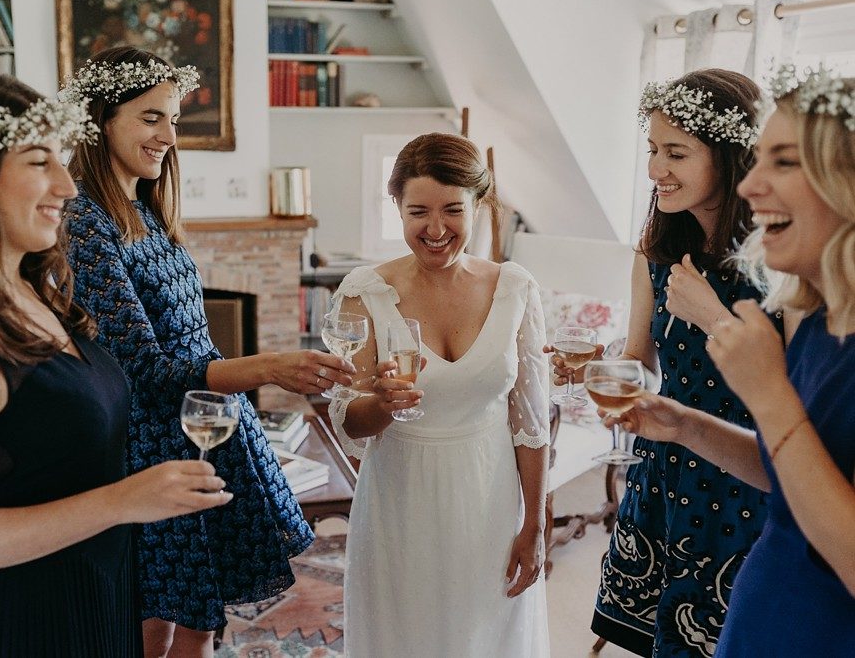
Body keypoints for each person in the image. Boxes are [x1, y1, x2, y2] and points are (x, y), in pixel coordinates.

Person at [0, 71, 232, 657]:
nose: (68, 185)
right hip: (27, 627)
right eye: (37, 161)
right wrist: (124, 500)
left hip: (96, 602)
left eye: (62, 159)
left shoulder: (35, 293)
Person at [59, 46, 354, 658]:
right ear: (100, 121)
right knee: (152, 622)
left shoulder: (146, 208)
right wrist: (267, 367)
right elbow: (142, 368)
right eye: (150, 118)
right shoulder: (84, 222)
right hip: (147, 445)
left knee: (199, 618)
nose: (169, 135)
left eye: (173, 119)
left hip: (205, 428)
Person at [607, 64, 855, 656]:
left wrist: (763, 387)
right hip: (762, 599)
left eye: (785, 161)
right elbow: (791, 471)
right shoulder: (815, 308)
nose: (751, 185)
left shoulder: (782, 288)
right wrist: (684, 425)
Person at [546, 69, 786, 657]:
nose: (656, 170)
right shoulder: (655, 253)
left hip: (744, 481)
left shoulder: (781, 260)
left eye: (675, 152)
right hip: (663, 474)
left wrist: (711, 315)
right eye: (652, 150)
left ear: (731, 158)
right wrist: (594, 371)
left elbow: (795, 388)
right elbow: (639, 362)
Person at [328, 132, 551, 657]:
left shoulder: (515, 289)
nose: (435, 229)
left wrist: (535, 526)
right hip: (399, 503)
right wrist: (381, 405)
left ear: (479, 204)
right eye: (417, 212)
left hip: (489, 498)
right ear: (397, 210)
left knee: (489, 637)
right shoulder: (364, 292)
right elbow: (347, 420)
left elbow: (531, 423)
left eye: (453, 210)